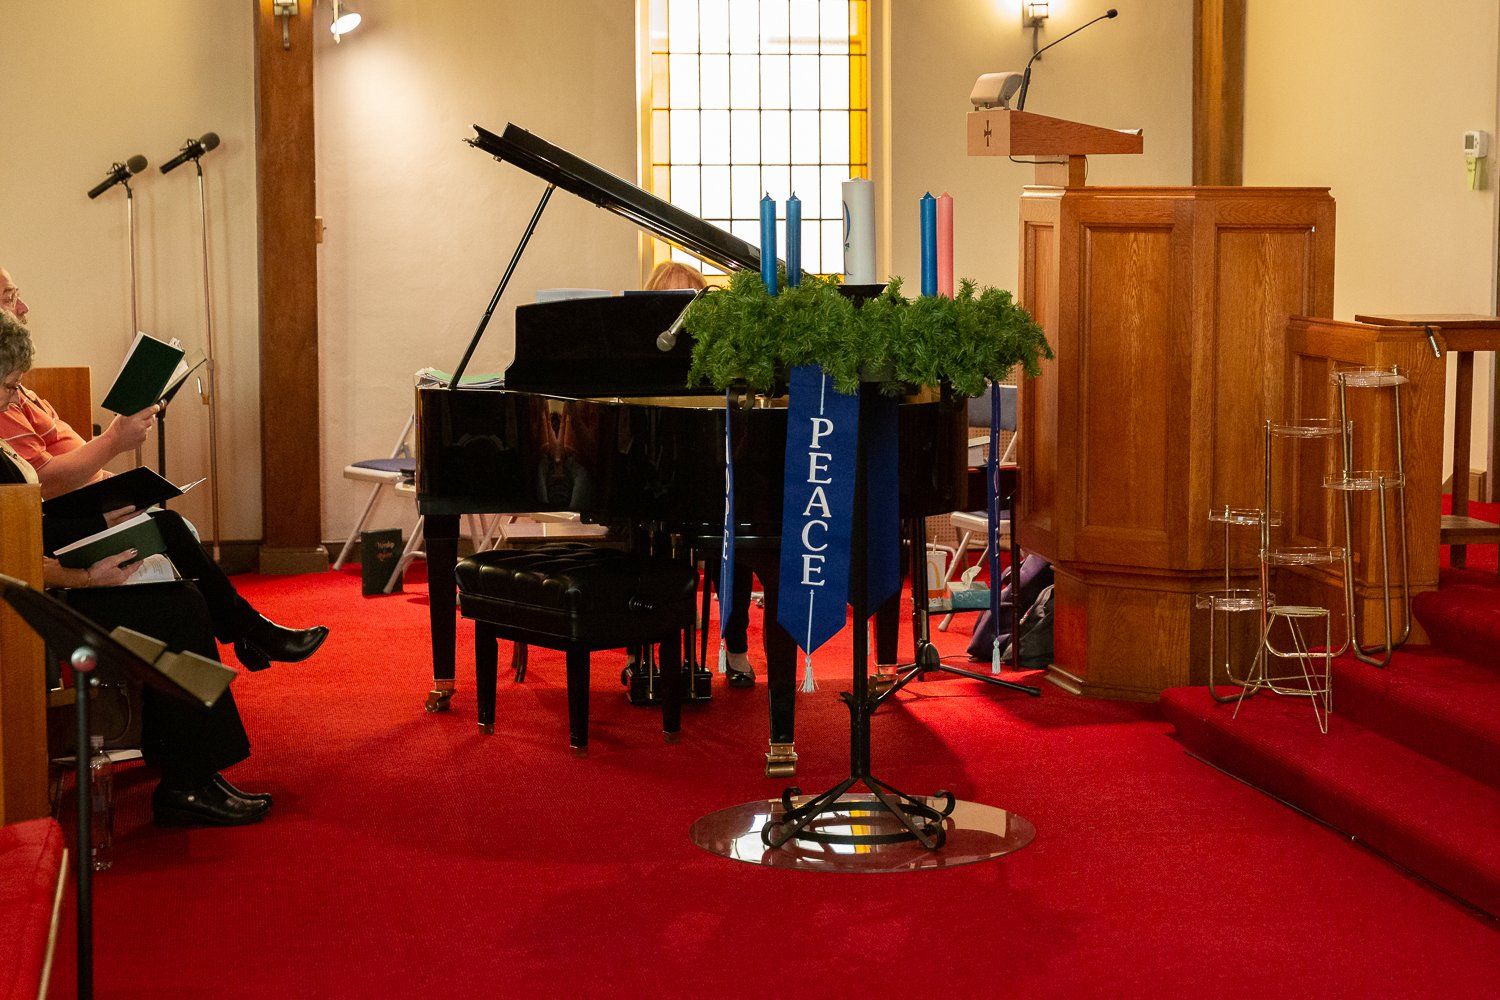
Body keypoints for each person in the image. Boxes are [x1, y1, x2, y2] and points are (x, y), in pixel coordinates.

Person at [1, 330, 267, 825]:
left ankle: (193, 777)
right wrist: (86, 578)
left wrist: (100, 525)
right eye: (7, 386)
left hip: (39, 573)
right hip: (27, 601)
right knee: (177, 607)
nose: (15, 398)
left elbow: (21, 531)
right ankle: (188, 783)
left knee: (176, 591)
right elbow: (11, 552)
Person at [0, 286, 327, 671]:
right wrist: (112, 444)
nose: (22, 306)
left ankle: (244, 638)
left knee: (176, 553)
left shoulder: (17, 393)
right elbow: (38, 491)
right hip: (59, 524)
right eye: (8, 297)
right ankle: (248, 634)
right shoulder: (5, 405)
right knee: (170, 533)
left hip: (77, 512)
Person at [644, 261, 759, 687]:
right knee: (644, 534)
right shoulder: (643, 361)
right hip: (654, 477)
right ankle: (649, 643)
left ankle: (736, 644)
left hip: (713, 475)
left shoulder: (723, 357)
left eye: (688, 304)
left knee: (741, 538)